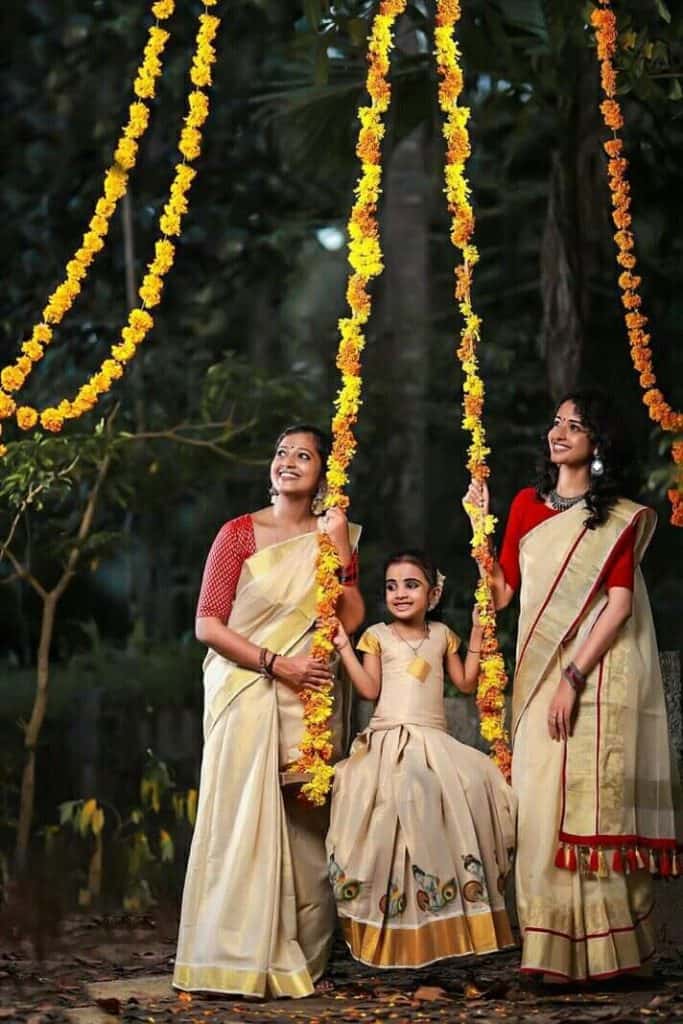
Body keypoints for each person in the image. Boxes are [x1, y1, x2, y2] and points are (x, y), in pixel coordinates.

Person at [464, 389, 682, 983]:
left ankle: (611, 954)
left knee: (592, 798)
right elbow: (503, 595)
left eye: (575, 425)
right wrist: (480, 529)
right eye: (555, 422)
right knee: (538, 806)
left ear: (597, 443)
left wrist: (574, 676)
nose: (559, 432)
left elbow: (617, 606)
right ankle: (550, 951)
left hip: (595, 673)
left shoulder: (611, 518)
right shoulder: (527, 508)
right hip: (537, 676)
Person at [173, 425, 364, 999]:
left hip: (310, 696)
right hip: (248, 688)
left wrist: (342, 548)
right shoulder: (238, 534)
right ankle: (232, 957)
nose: (288, 461)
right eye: (281, 452)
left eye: (303, 455)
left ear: (323, 475)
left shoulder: (334, 537)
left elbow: (348, 620)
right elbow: (208, 624)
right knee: (241, 822)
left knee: (306, 826)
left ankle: (303, 957)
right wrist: (277, 664)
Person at [326, 550, 516, 969]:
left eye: (411, 585)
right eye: (392, 586)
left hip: (434, 739)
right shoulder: (377, 634)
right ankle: (392, 926)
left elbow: (466, 682)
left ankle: (447, 923)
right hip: (390, 736)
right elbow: (370, 690)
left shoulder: (442, 635)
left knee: (476, 784)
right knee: (399, 793)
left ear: (432, 594)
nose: (400, 593)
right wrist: (343, 647)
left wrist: (479, 633)